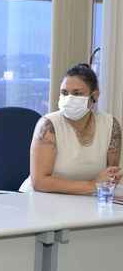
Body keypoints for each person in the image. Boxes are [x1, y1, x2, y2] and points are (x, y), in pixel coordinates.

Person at [23, 63, 122, 194]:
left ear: (95, 96)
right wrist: (93, 185)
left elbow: (109, 177)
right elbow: (40, 182)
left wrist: (107, 182)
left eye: (77, 93)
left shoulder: (110, 125)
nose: (69, 98)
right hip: (41, 200)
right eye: (64, 93)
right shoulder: (48, 125)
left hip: (84, 201)